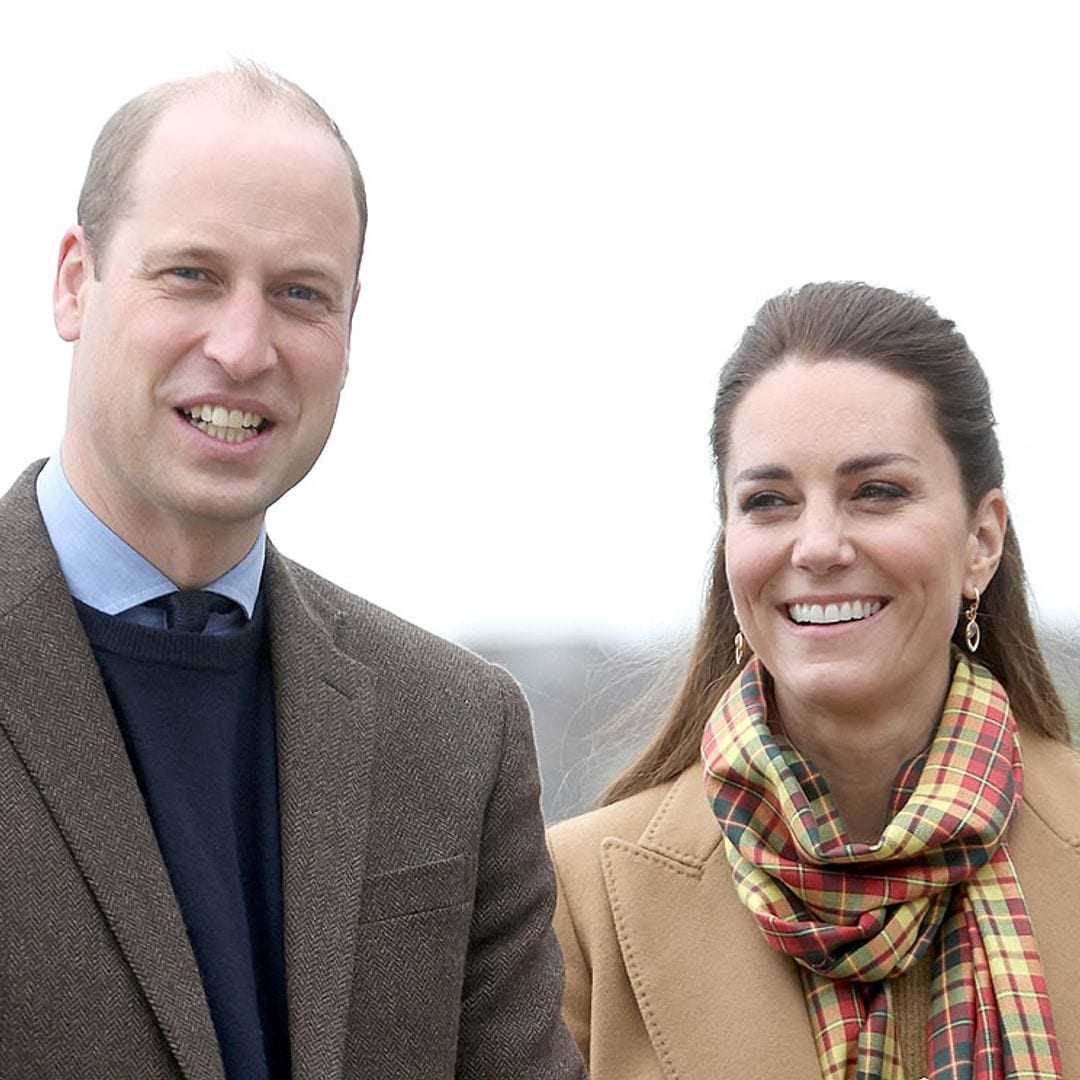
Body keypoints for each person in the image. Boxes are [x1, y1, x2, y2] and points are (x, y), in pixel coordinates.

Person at [0, 65, 585, 1080]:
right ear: (72, 282)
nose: (242, 346)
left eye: (299, 294)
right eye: (191, 274)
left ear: (351, 327)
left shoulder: (459, 731)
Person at [548, 282, 1079, 1079]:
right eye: (770, 501)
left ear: (981, 539)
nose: (819, 545)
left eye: (877, 493)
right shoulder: (574, 901)